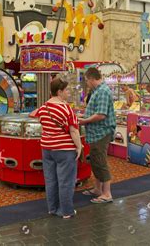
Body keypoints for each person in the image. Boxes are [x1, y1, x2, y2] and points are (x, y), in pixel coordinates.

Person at [30, 77, 82, 219]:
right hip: (64, 150)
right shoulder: (66, 109)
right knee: (66, 182)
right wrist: (79, 147)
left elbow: (37, 119)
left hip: (47, 148)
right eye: (66, 90)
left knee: (51, 180)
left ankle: (52, 209)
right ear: (59, 92)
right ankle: (66, 211)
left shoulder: (43, 107)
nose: (68, 93)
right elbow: (73, 130)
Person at [79, 67, 115, 203]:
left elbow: (101, 115)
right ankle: (98, 189)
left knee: (100, 162)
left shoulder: (103, 92)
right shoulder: (97, 91)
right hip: (95, 133)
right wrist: (84, 116)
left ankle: (107, 194)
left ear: (92, 78)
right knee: (95, 161)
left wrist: (84, 121)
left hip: (101, 132)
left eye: (87, 80)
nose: (87, 83)